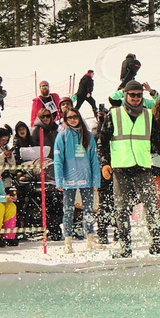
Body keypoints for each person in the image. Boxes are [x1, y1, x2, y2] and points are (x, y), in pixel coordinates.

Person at [100, 78, 160, 257]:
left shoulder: (148, 115)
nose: (136, 98)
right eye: (132, 95)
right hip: (121, 168)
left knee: (151, 206)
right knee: (121, 209)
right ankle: (125, 247)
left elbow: (157, 142)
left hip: (142, 167)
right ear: (125, 95)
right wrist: (104, 163)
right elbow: (103, 141)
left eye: (139, 95)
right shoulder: (114, 114)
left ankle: (157, 243)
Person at [50, 102, 98, 249]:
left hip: (86, 178)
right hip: (69, 179)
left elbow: (94, 159)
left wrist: (96, 180)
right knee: (68, 211)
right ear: (65, 119)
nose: (72, 120)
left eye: (75, 117)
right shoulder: (62, 136)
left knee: (88, 210)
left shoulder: (88, 135)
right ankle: (68, 242)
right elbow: (58, 160)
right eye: (69, 117)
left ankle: (90, 239)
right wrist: (59, 180)